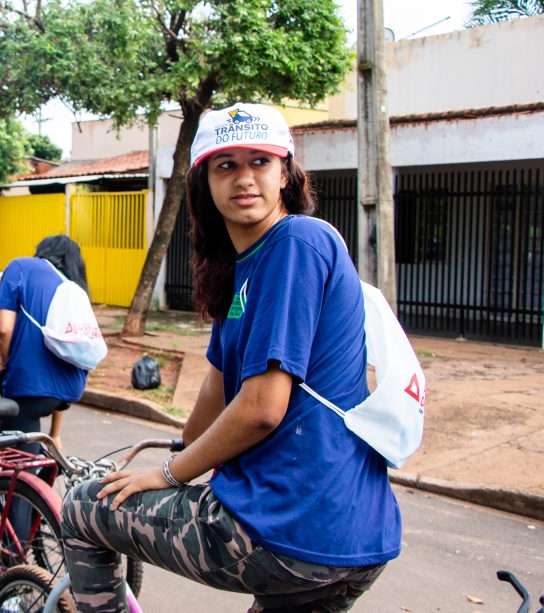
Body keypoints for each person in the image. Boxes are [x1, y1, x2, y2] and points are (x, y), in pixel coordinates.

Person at [61, 103, 401, 612]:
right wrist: (183, 444)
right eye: (227, 165)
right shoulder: (243, 268)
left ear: (285, 172)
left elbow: (262, 407)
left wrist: (170, 473)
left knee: (82, 505)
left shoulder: (297, 243)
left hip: (282, 527)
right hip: (352, 540)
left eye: (259, 162)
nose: (245, 179)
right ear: (205, 182)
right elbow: (217, 390)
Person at [0, 234, 90, 449]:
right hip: (70, 389)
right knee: (33, 461)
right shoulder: (73, 287)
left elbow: (5, 329)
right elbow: (66, 354)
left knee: (17, 470)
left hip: (28, 387)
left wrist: (6, 366)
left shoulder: (20, 267)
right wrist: (55, 434)